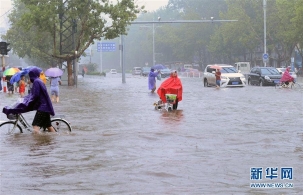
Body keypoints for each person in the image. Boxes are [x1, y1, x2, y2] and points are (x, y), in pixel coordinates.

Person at [2, 67, 56, 134]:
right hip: (45, 106)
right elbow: (34, 94)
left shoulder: (36, 82)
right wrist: (26, 99)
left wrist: (27, 101)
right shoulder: (38, 81)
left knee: (35, 126)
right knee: (48, 126)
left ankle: (36, 143)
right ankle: (55, 138)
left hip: (42, 107)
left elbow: (35, 95)